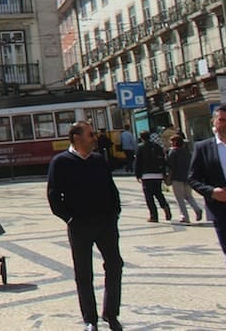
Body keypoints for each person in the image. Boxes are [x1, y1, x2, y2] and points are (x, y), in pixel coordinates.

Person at [47, 120, 123, 331]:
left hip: (106, 223)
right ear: (77, 138)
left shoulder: (98, 160)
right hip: (79, 226)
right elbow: (53, 195)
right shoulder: (60, 162)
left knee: (115, 265)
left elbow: (111, 187)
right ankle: (90, 318)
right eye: (90, 135)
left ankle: (111, 313)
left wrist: (115, 212)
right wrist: (69, 219)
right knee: (83, 273)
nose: (94, 138)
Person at [189, 104, 226, 329]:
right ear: (214, 123)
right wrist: (212, 192)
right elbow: (193, 179)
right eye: (221, 120)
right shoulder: (203, 148)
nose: (225, 124)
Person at [134, 130, 171, 222]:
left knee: (149, 197)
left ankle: (153, 216)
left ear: (141, 137)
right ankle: (165, 206)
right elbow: (163, 159)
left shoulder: (140, 147)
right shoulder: (157, 146)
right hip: (158, 174)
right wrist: (163, 173)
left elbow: (138, 162)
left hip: (146, 175)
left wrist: (138, 174)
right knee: (158, 193)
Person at [166, 132, 201, 224]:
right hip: (188, 177)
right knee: (189, 196)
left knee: (179, 198)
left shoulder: (173, 152)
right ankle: (197, 209)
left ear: (174, 142)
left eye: (171, 142)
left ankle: (185, 216)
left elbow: (169, 164)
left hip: (177, 177)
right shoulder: (188, 152)